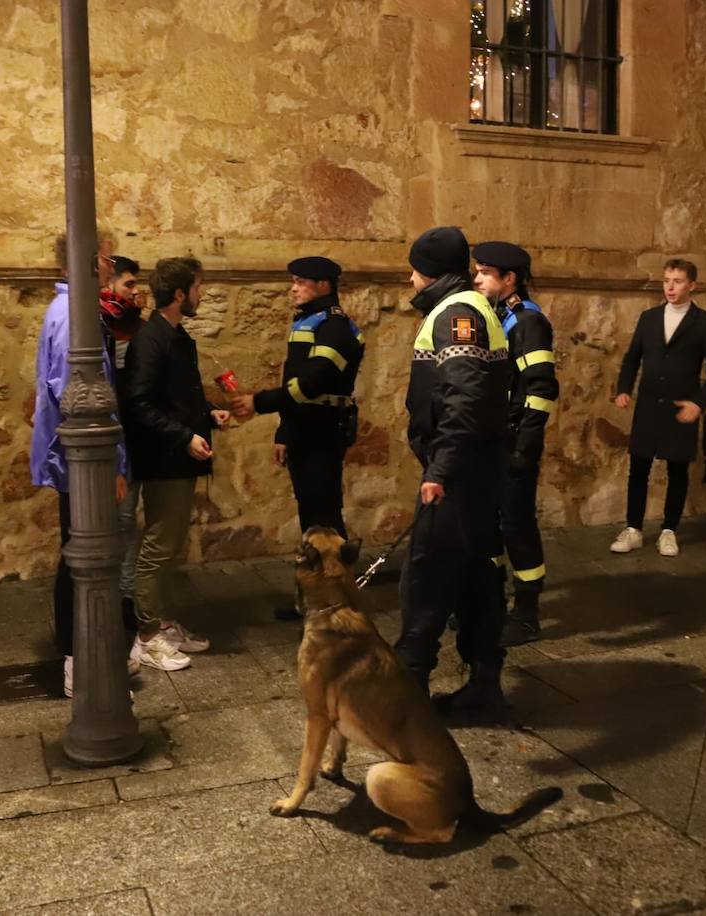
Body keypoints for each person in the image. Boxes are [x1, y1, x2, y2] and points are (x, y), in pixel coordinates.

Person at [393, 227, 515, 723]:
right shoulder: (465, 306)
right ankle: (484, 688)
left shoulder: (456, 312)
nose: (409, 276)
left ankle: (407, 704)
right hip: (476, 467)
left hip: (460, 472)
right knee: (475, 578)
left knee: (424, 578)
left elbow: (463, 395)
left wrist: (441, 467)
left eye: (414, 267)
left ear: (430, 271)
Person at [30, 231, 140, 698]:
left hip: (71, 455)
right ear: (91, 260)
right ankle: (80, 659)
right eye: (107, 258)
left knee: (79, 550)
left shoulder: (69, 311)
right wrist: (112, 464)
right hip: (83, 459)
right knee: (84, 555)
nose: (112, 267)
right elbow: (83, 397)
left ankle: (85, 650)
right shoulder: (76, 317)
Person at [229, 256, 365, 618]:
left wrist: (259, 402)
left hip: (323, 435)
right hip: (304, 433)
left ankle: (335, 599)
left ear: (324, 285)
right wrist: (284, 432)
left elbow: (312, 382)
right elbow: (295, 382)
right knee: (311, 520)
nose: (293, 288)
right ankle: (314, 594)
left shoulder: (336, 327)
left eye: (301, 282)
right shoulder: (307, 322)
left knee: (326, 521)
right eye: (293, 281)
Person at [123, 257, 231, 670]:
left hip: (179, 455)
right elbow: (139, 403)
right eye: (199, 288)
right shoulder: (150, 340)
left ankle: (163, 623)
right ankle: (147, 637)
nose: (202, 296)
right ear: (181, 293)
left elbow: (179, 397)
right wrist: (184, 437)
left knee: (168, 548)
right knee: (157, 547)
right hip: (165, 459)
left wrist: (208, 414)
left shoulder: (176, 336)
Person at [471, 241, 558, 647]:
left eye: (486, 272)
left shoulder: (528, 322)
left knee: (517, 526)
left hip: (514, 444)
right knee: (487, 525)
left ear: (510, 279)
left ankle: (527, 614)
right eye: (478, 270)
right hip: (492, 442)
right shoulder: (497, 316)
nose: (477, 278)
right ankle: (489, 604)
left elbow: (540, 388)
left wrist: (525, 447)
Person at [611, 258, 706, 557]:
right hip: (649, 403)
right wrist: (623, 388)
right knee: (639, 467)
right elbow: (632, 357)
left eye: (677, 281)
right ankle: (633, 528)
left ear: (692, 285)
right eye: (666, 280)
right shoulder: (649, 318)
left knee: (677, 469)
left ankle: (668, 530)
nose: (670, 287)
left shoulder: (705, 323)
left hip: (681, 406)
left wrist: (699, 403)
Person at [101, 255, 145, 625]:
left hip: (133, 438)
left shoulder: (139, 328)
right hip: (111, 438)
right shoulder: (97, 324)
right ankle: (109, 596)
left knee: (127, 520)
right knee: (111, 521)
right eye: (128, 284)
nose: (135, 292)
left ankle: (126, 598)